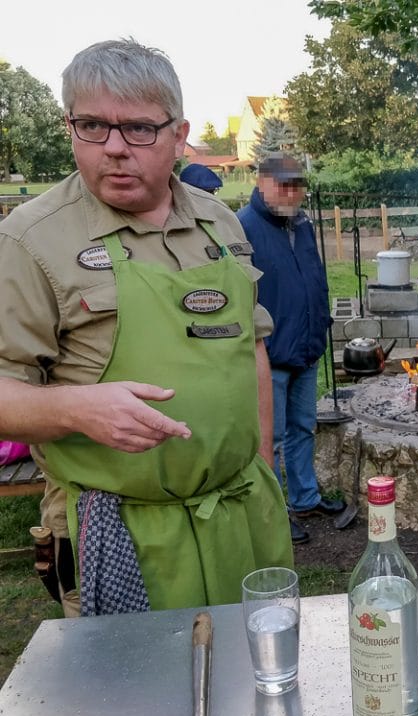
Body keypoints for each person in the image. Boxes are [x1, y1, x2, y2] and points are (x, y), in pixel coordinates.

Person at [0, 39, 293, 615]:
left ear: (179, 136)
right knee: (137, 700)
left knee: (253, 682)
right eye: (92, 126)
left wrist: (262, 464)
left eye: (138, 129)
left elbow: (250, 348)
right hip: (119, 531)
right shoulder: (31, 240)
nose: (113, 149)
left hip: (239, 511)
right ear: (70, 127)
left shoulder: (219, 222)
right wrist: (79, 410)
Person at [237, 152, 353, 545]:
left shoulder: (301, 225)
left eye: (296, 185)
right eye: (282, 184)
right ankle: (272, 512)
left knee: (304, 427)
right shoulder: (243, 227)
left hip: (305, 347)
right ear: (261, 182)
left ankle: (305, 498)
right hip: (269, 353)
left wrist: (319, 322)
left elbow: (313, 277)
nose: (290, 192)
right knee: (270, 438)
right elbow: (238, 297)